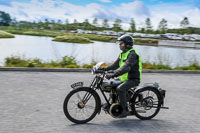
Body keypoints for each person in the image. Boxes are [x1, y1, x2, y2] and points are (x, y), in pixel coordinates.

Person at [103, 34, 142, 118]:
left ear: (127, 44)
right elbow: (115, 65)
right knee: (110, 85)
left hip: (133, 79)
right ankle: (114, 104)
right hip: (123, 78)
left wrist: (113, 74)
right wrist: (103, 69)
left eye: (121, 43)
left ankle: (125, 110)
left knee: (120, 89)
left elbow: (126, 68)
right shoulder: (122, 54)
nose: (120, 45)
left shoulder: (132, 54)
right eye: (120, 43)